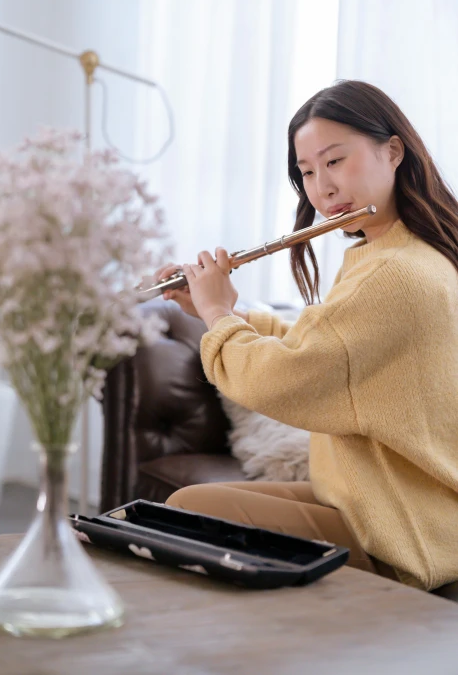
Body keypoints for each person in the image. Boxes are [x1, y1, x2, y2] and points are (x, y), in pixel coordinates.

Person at [154, 79, 458, 591]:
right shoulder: (398, 257)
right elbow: (326, 343)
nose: (323, 188)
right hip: (380, 499)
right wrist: (217, 311)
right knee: (185, 510)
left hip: (404, 529)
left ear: (393, 151)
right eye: (307, 172)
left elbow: (282, 380)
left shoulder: (393, 275)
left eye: (335, 161)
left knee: (186, 512)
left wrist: (218, 313)